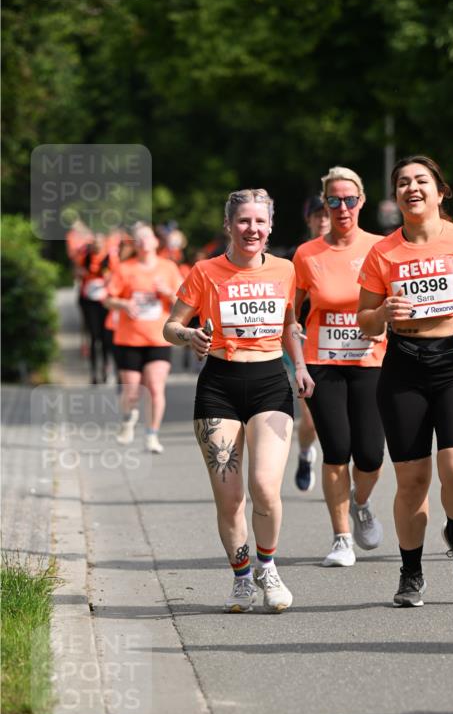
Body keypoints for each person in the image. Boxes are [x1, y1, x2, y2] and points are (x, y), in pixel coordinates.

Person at [357, 155, 453, 606]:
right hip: (403, 367)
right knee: (413, 481)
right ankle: (411, 572)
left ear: (441, 192)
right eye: (402, 182)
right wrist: (381, 314)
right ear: (395, 195)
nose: (411, 188)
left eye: (421, 180)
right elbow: (364, 320)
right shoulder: (382, 252)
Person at [163, 188, 315, 613]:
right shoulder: (205, 271)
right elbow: (170, 325)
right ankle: (242, 577)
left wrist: (300, 367)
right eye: (243, 221)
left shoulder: (285, 270)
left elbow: (290, 325)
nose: (252, 229)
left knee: (265, 487)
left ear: (270, 227)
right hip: (219, 385)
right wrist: (188, 334)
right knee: (230, 498)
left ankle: (268, 567)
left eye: (260, 222)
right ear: (229, 225)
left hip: (270, 381)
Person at [294, 169, 386, 567]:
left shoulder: (382, 248)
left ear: (362, 201)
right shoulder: (307, 254)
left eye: (349, 200)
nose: (342, 208)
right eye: (334, 201)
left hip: (371, 361)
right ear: (324, 204)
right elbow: (290, 316)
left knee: (369, 455)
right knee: (336, 451)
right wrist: (297, 363)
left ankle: (361, 503)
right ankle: (341, 538)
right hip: (323, 363)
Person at [105, 224, 182, 453]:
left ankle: (152, 435)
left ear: (156, 242)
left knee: (156, 388)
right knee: (132, 391)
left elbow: (182, 302)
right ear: (135, 245)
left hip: (159, 338)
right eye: (138, 239)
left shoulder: (168, 268)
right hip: (129, 339)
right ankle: (128, 419)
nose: (143, 241)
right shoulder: (124, 269)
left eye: (147, 237)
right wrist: (124, 303)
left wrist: (167, 292)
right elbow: (108, 299)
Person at [293, 195, 330, 492]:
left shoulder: (355, 252)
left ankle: (340, 475)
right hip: (306, 347)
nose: (323, 220)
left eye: (327, 214)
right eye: (317, 215)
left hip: (349, 347)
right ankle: (306, 453)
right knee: (311, 419)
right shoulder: (302, 256)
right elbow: (289, 307)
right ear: (309, 220)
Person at [76, 233, 114, 384]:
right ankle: (93, 372)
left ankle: (106, 367)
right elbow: (77, 273)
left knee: (105, 337)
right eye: (95, 243)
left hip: (104, 302)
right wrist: (82, 274)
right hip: (88, 301)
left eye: (99, 243)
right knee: (93, 337)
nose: (97, 245)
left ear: (104, 243)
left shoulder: (110, 258)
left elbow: (116, 276)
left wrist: (108, 278)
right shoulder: (85, 257)